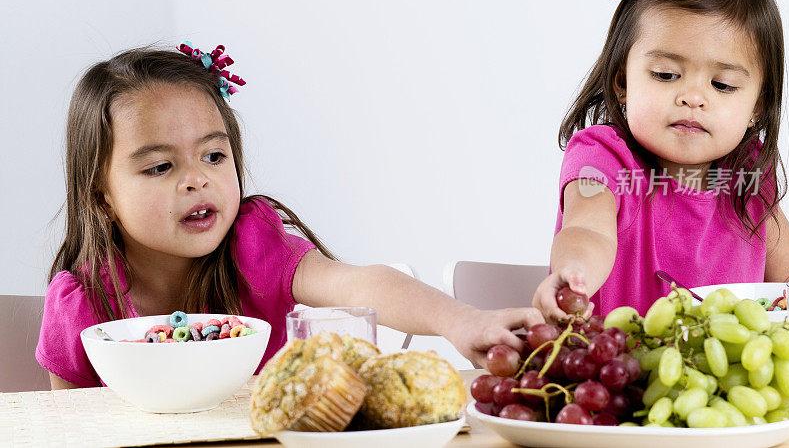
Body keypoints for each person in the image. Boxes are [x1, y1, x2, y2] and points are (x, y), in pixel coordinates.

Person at [37, 43, 543, 389]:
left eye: (214, 156)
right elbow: (64, 427)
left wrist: (463, 321)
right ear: (101, 195)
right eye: (161, 166)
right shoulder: (81, 306)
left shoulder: (253, 247)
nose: (197, 180)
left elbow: (361, 285)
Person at [532, 0, 789, 322]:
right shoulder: (602, 159)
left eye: (722, 84)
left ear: (757, 105)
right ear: (622, 81)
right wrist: (573, 274)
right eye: (665, 75)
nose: (692, 97)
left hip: (724, 380)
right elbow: (589, 230)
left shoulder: (748, 176)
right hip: (620, 375)